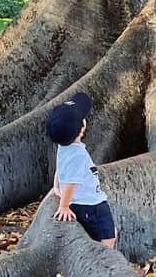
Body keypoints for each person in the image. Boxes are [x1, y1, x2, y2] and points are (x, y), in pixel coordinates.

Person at [45, 91, 117, 247]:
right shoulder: (78, 155)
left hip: (82, 202)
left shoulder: (63, 147)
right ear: (82, 128)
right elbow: (71, 181)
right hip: (92, 205)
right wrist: (64, 205)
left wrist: (56, 186)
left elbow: (61, 168)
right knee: (109, 236)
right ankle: (106, 255)